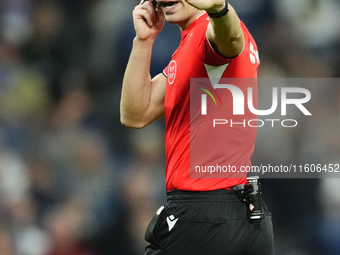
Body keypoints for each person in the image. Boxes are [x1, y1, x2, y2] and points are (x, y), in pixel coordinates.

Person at [120, 0, 274, 254]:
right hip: (246, 218)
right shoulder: (191, 46)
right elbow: (135, 113)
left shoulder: (207, 34)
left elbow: (229, 38)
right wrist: (143, 41)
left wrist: (219, 8)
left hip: (203, 215)